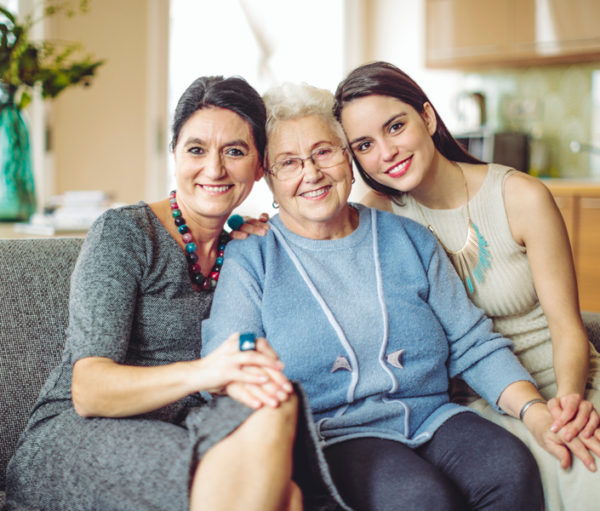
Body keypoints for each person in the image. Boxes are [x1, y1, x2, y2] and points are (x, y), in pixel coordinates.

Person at [201, 82, 554, 511]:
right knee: (421, 499)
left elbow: (472, 342)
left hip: (433, 414)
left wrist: (535, 410)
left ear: (348, 157)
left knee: (510, 467)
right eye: (289, 163)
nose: (311, 173)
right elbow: (227, 365)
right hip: (335, 434)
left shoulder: (407, 238)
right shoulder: (252, 257)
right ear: (267, 179)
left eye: (324, 152)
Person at [5, 75, 345, 511]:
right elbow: (88, 389)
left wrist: (259, 239)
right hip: (80, 433)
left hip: (189, 425)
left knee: (278, 400)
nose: (215, 169)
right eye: (196, 149)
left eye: (235, 152)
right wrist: (205, 371)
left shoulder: (241, 252)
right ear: (174, 156)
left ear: (259, 167)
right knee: (286, 498)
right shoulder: (126, 233)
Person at [333, 61, 600, 510]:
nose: (386, 152)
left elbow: (568, 328)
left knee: (584, 465)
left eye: (395, 126)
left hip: (565, 383)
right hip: (471, 403)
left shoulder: (520, 197)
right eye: (364, 144)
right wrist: (255, 229)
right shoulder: (377, 215)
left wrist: (570, 407)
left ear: (428, 118)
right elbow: (314, 245)